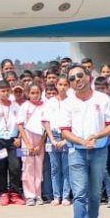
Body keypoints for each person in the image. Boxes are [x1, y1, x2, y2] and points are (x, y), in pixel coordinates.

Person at [59, 64, 110, 218]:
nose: (77, 80)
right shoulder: (67, 103)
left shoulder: (102, 99)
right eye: (72, 78)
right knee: (80, 193)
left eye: (80, 75)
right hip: (77, 152)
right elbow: (65, 131)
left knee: (94, 193)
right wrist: (82, 141)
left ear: (88, 76)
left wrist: (96, 137)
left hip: (99, 150)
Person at [0, 81, 23, 206]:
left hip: (13, 141)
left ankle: (14, 193)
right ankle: (3, 193)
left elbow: (20, 125)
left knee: (15, 167)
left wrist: (19, 138)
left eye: (8, 91)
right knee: (0, 168)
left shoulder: (15, 106)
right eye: (3, 91)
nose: (6, 93)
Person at [43, 77, 71, 206]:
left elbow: (75, 122)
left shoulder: (72, 102)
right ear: (56, 85)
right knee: (54, 168)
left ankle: (65, 196)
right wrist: (52, 139)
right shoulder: (50, 102)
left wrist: (66, 139)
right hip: (52, 135)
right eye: (60, 84)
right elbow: (46, 122)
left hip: (67, 135)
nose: (63, 87)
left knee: (66, 168)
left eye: (65, 84)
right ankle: (56, 196)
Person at [17, 84, 47, 206]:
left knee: (38, 167)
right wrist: (28, 144)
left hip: (40, 139)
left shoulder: (45, 106)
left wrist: (40, 144)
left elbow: (46, 127)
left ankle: (38, 194)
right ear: (28, 94)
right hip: (27, 139)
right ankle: (29, 195)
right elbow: (20, 125)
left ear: (41, 93)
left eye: (37, 93)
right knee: (28, 167)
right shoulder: (25, 106)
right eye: (32, 93)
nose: (35, 95)